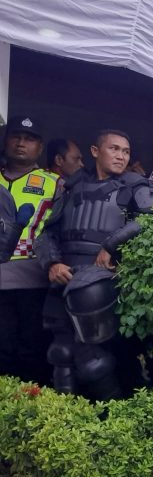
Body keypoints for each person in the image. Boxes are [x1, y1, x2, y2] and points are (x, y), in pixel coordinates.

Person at [35, 129, 153, 398]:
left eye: (126, 151)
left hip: (105, 283)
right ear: (95, 152)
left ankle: (111, 422)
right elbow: (48, 232)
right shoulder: (72, 186)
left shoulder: (135, 185)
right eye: (114, 149)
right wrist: (52, 264)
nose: (121, 156)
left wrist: (111, 245)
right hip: (64, 278)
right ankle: (65, 422)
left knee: (97, 360)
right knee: (61, 353)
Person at [0, 116, 60, 385]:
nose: (21, 143)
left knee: (32, 354)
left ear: (40, 147)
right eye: (16, 136)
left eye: (30, 139)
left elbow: (57, 231)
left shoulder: (54, 183)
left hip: (32, 281)